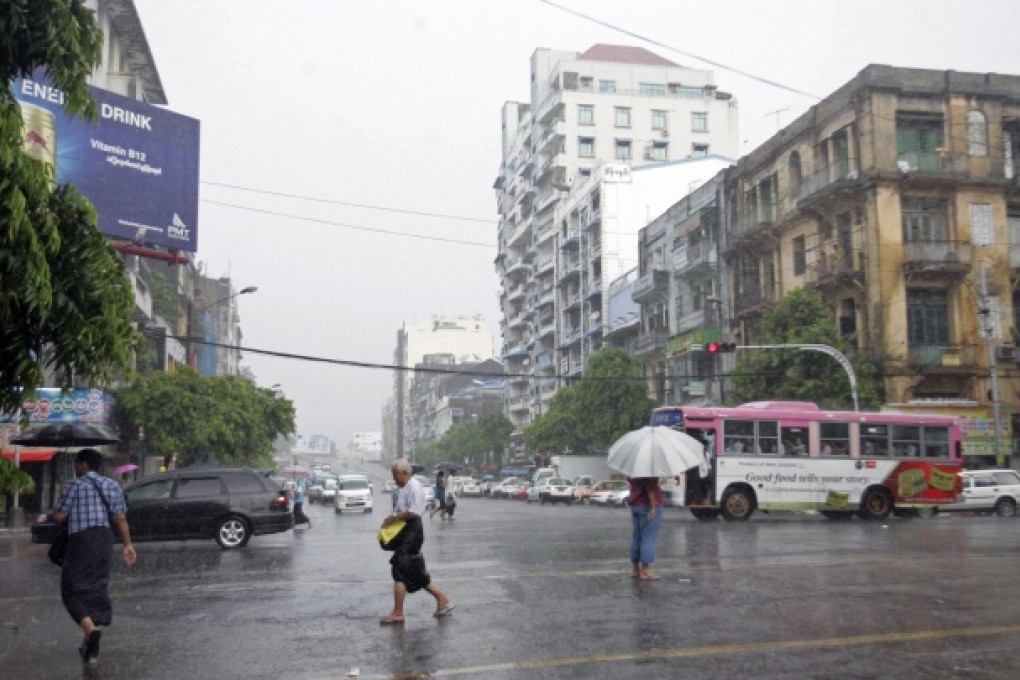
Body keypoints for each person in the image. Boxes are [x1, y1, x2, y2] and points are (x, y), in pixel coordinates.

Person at [52, 448, 136, 665]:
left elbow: (60, 516)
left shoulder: (74, 485)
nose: (75, 467)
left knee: (71, 590)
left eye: (76, 463)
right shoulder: (113, 485)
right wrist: (128, 545)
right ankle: (88, 646)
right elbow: (121, 518)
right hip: (104, 540)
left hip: (82, 540)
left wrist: (62, 502)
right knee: (96, 587)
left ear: (83, 464)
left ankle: (91, 629)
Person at [379, 459, 454, 624]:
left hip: (413, 531)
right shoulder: (406, 488)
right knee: (414, 571)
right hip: (407, 531)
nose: (394, 478)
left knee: (400, 568)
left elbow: (414, 512)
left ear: (403, 473)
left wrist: (393, 517)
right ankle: (442, 599)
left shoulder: (414, 486)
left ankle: (398, 612)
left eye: (395, 475)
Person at [627, 476, 663, 581]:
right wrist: (653, 507)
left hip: (635, 505)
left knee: (636, 538)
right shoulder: (649, 468)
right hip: (646, 506)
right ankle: (645, 570)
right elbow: (650, 488)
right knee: (648, 538)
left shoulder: (633, 469)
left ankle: (635, 569)